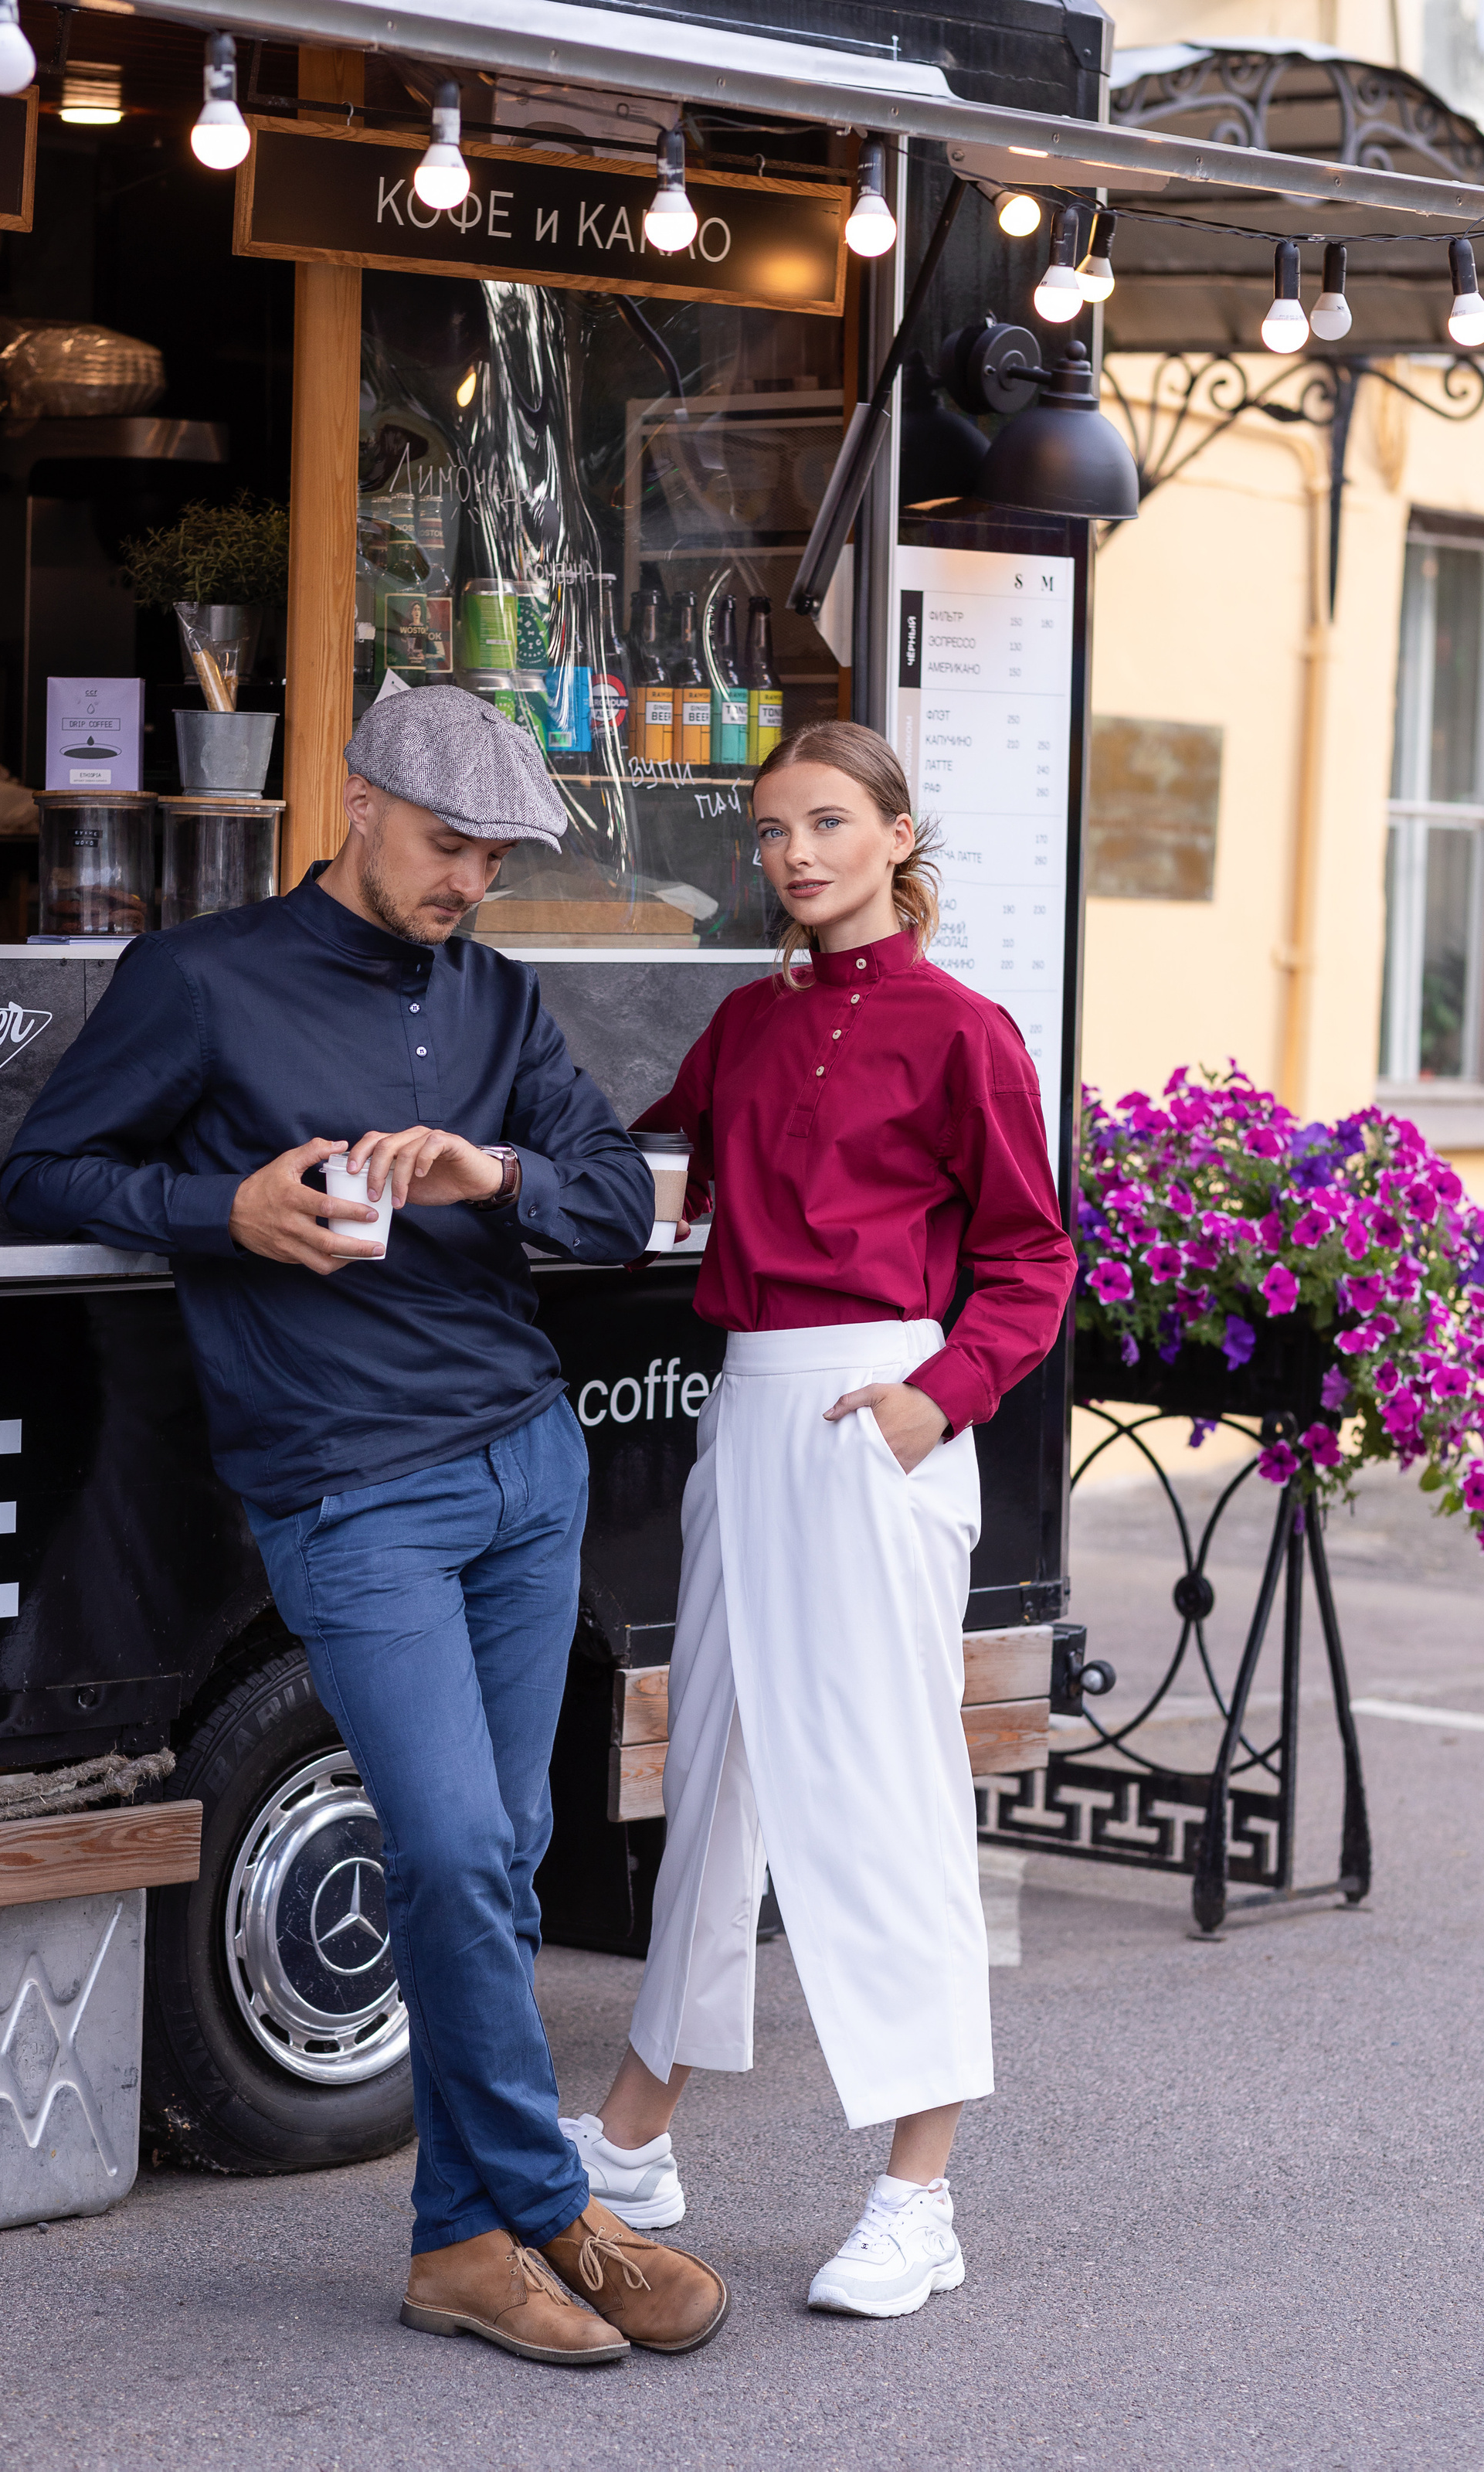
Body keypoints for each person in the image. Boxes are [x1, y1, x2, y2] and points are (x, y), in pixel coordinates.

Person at [1, 683, 730, 2368]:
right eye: (442, 842)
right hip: (349, 1488)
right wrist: (225, 1208)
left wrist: (495, 1173)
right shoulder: (197, 982)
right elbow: (44, 1170)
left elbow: (619, 1202)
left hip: (521, 1463)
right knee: (461, 1851)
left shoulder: (496, 996)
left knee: (503, 1860)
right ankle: (551, 2204)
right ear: (357, 801)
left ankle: (457, 2248)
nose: (464, 879)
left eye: (491, 855)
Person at [561, 720, 1075, 2319]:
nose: (791, 854)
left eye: (827, 822)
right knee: (711, 1765)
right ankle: (634, 2140)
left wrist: (939, 1396)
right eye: (771, 828)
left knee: (877, 1782)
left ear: (898, 837)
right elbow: (644, 1159)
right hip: (753, 1406)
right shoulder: (742, 1024)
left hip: (879, 1410)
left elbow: (1032, 1257)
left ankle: (918, 2194)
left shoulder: (964, 1033)